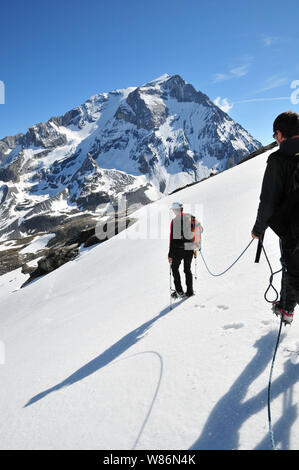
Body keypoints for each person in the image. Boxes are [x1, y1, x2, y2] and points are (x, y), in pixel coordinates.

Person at [252, 111, 299, 324]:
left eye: (275, 135)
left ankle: (286, 309)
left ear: (280, 134)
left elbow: (268, 200)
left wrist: (258, 229)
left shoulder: (278, 159)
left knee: (292, 268)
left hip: (293, 229)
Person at [168, 202, 201, 297]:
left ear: (175, 210)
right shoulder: (190, 217)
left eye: (173, 210)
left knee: (174, 268)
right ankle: (190, 292)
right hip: (190, 248)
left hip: (179, 249)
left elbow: (173, 239)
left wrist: (170, 254)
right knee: (187, 269)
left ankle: (179, 291)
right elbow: (200, 229)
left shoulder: (175, 221)